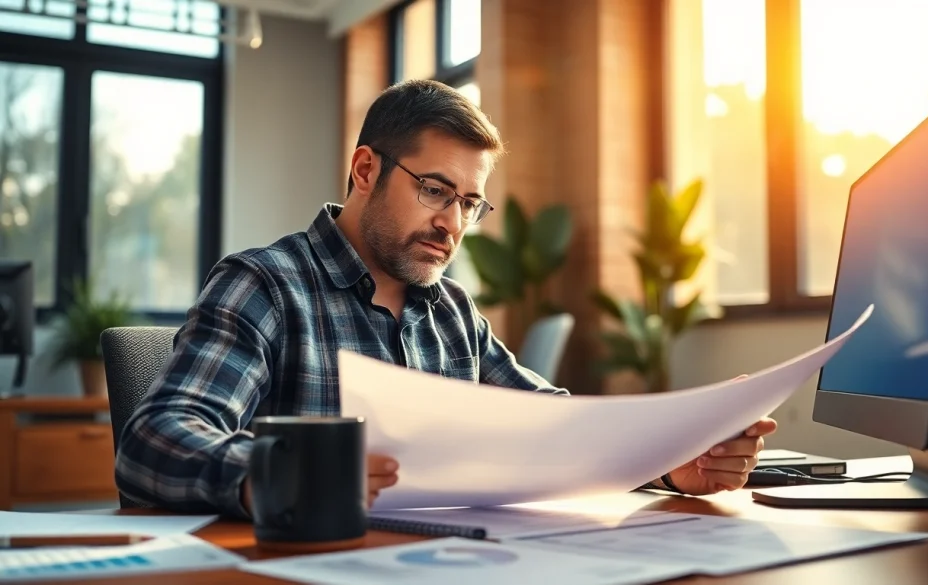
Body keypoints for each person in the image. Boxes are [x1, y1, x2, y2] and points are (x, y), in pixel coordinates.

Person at [115, 79, 777, 518]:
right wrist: (287, 471)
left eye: (468, 203)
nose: (452, 225)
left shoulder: (452, 309)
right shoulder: (264, 285)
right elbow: (153, 442)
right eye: (435, 190)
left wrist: (672, 462)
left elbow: (557, 426)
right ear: (366, 169)